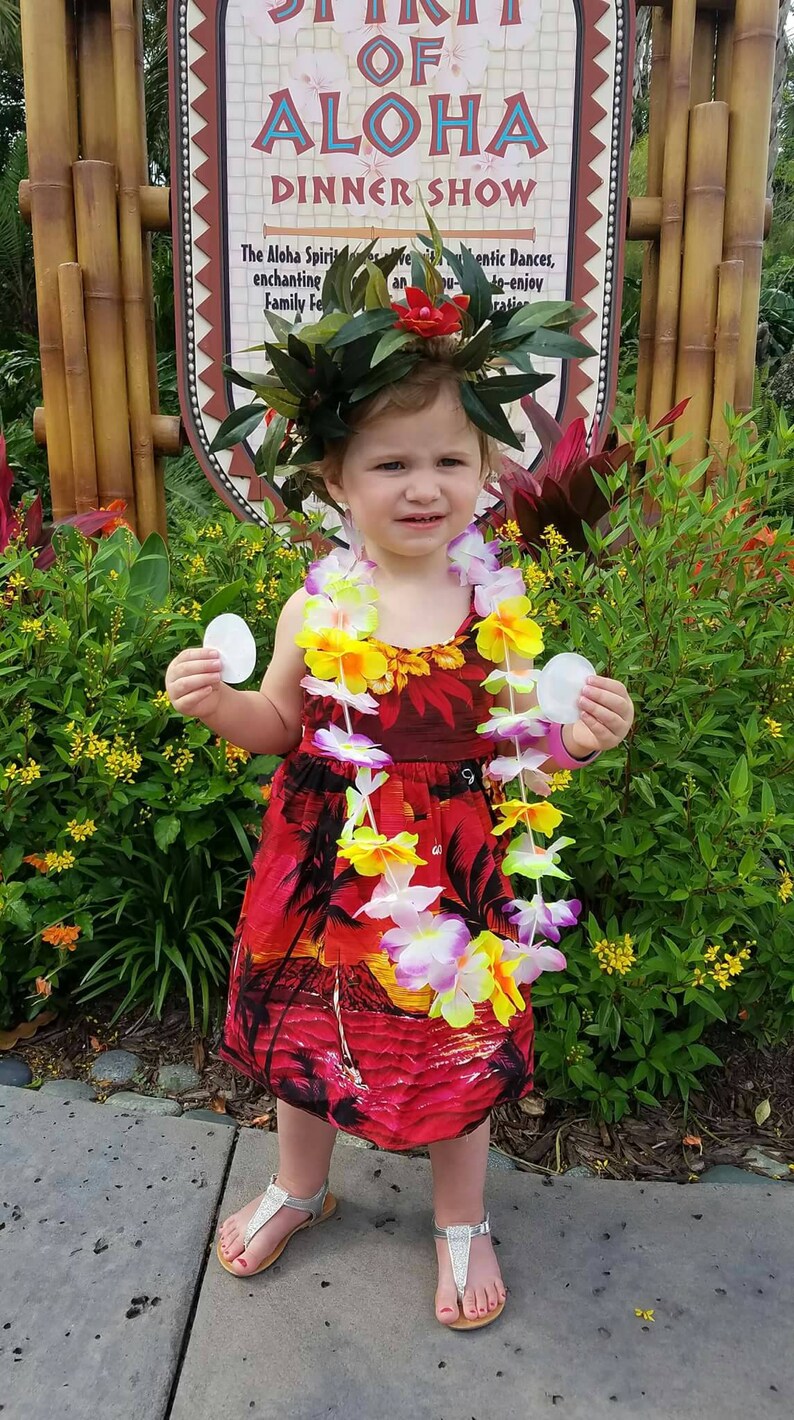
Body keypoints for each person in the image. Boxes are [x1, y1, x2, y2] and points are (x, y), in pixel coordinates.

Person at [164, 241, 634, 1329]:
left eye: (449, 461)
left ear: (483, 472)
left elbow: (524, 750)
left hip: (454, 870)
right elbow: (279, 725)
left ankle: (460, 1216)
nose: (422, 487)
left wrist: (581, 739)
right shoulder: (313, 608)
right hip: (326, 862)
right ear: (332, 479)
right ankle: (298, 1180)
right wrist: (212, 702)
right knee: (304, 1033)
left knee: (455, 1043)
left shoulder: (493, 610)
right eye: (388, 464)